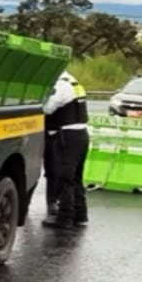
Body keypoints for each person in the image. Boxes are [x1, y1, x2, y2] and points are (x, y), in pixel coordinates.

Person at [41, 70, 90, 229]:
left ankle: (64, 218)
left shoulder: (61, 85)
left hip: (68, 137)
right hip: (82, 135)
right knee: (76, 178)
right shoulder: (75, 83)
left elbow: (47, 109)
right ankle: (80, 215)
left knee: (65, 178)